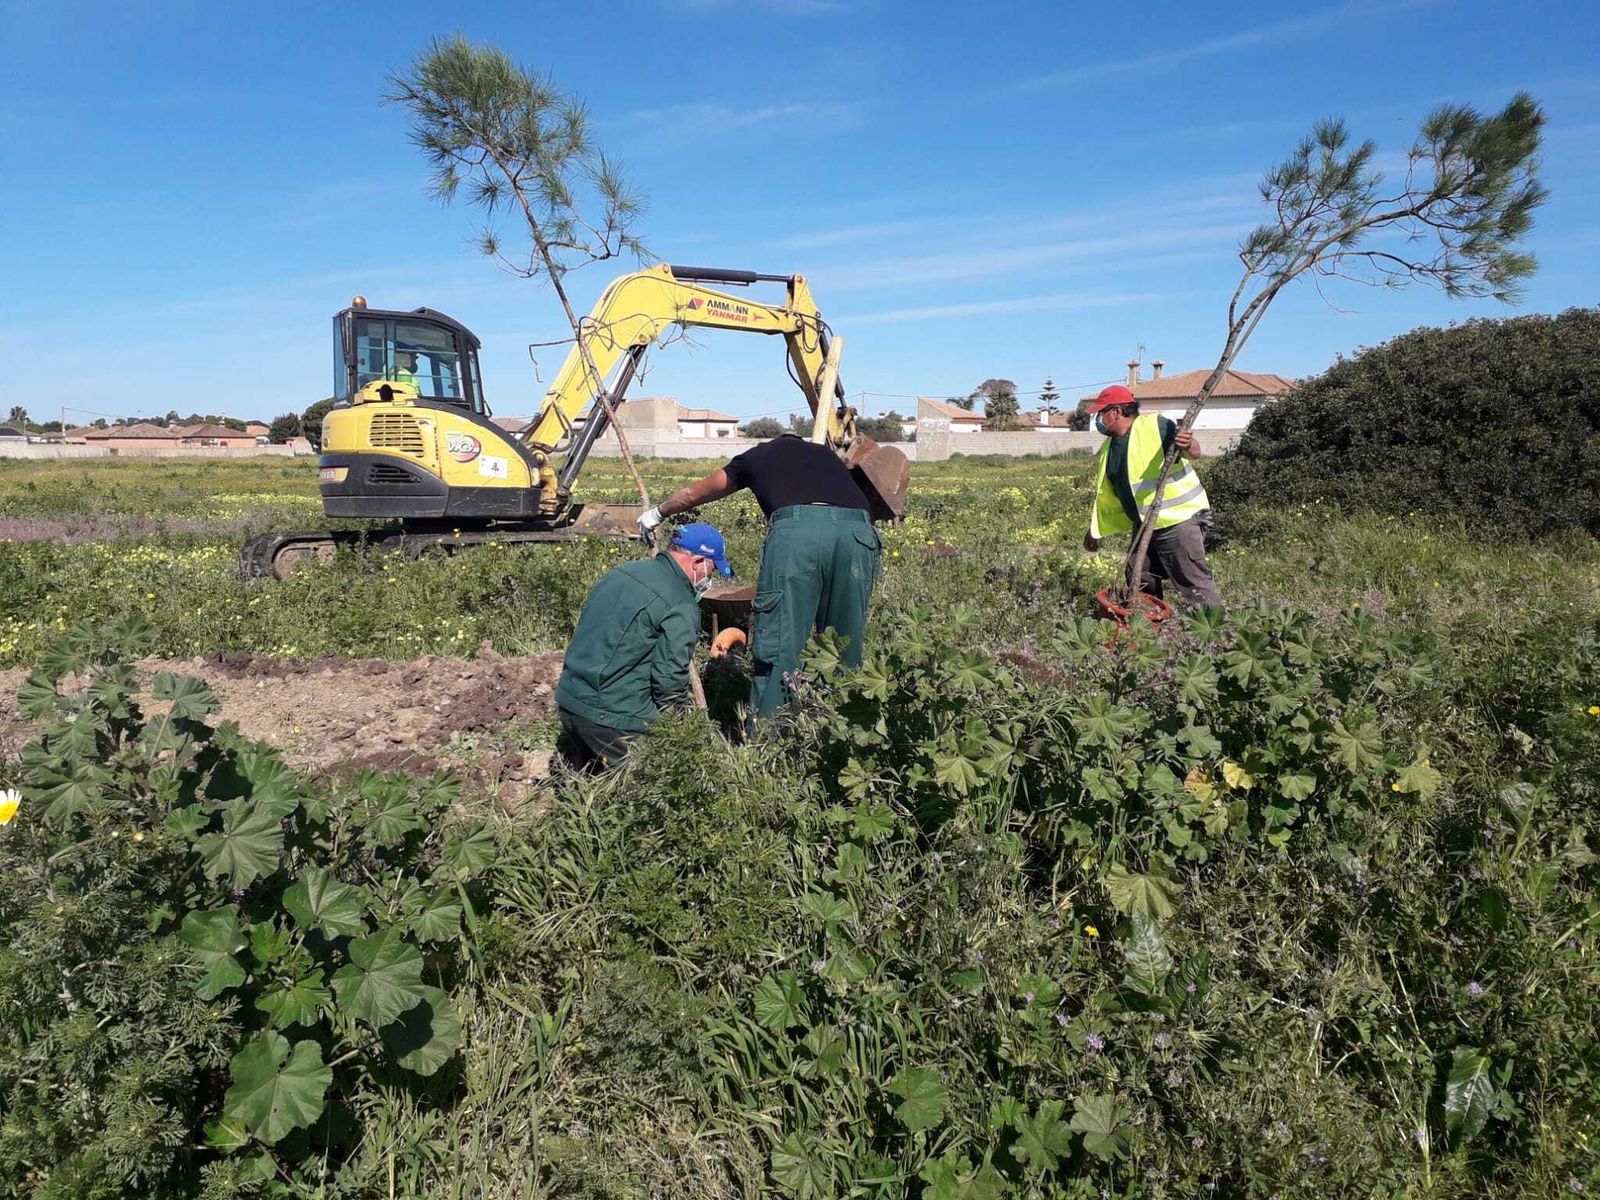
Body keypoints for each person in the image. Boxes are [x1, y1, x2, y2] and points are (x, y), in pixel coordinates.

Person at [637, 434, 881, 719]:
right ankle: (847, 732)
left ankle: (770, 736)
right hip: (858, 533)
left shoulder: (756, 457)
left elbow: (695, 494)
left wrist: (657, 512)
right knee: (845, 644)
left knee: (781, 643)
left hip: (798, 535)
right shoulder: (826, 456)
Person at [554, 522, 733, 768]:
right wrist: (684, 729)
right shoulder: (680, 604)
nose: (708, 580)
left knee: (595, 783)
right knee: (646, 786)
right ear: (697, 563)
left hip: (569, 701)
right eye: (711, 571)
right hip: (613, 718)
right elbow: (669, 681)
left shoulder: (622, 573)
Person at [1080, 384, 1223, 607]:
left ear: (1116, 412)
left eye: (1101, 413)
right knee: (1139, 577)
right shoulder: (1110, 446)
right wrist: (1094, 532)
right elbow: (1110, 496)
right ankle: (1150, 630)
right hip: (1144, 524)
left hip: (1177, 521)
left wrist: (1187, 443)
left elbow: (1192, 451)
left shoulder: (1155, 425)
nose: (1098, 419)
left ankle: (1216, 634)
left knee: (1193, 582)